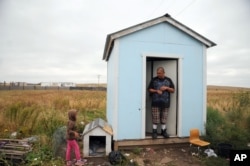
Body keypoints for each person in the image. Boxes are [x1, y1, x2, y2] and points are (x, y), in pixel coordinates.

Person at [148, 67, 175, 139]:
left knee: (164, 118)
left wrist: (166, 88)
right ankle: (154, 132)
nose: (158, 74)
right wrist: (156, 91)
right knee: (155, 118)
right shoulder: (154, 80)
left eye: (159, 73)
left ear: (163, 73)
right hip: (155, 102)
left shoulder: (168, 80)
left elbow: (173, 90)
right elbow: (149, 89)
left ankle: (164, 131)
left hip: (165, 103)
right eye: (157, 73)